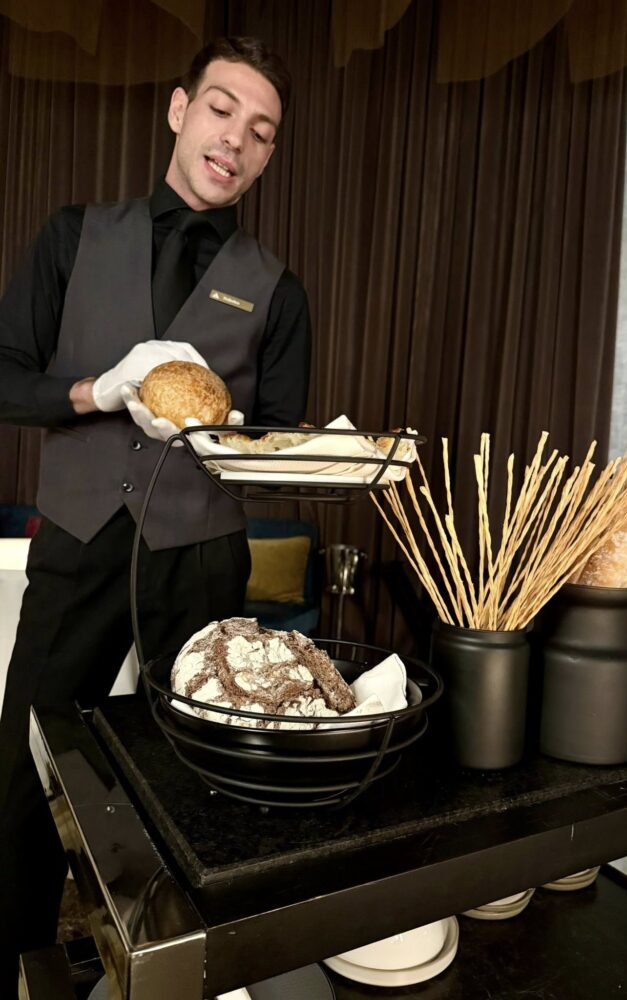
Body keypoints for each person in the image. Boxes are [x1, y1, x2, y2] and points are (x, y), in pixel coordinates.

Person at [0, 36, 310, 992]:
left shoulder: (279, 288)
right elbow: (7, 378)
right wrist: (98, 390)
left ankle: (173, 964)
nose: (236, 141)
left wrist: (234, 435)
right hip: (82, 535)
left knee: (193, 781)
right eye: (222, 110)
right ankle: (24, 952)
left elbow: (278, 441)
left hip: (200, 555)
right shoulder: (72, 234)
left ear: (267, 155)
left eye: (260, 132)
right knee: (26, 771)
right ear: (179, 109)